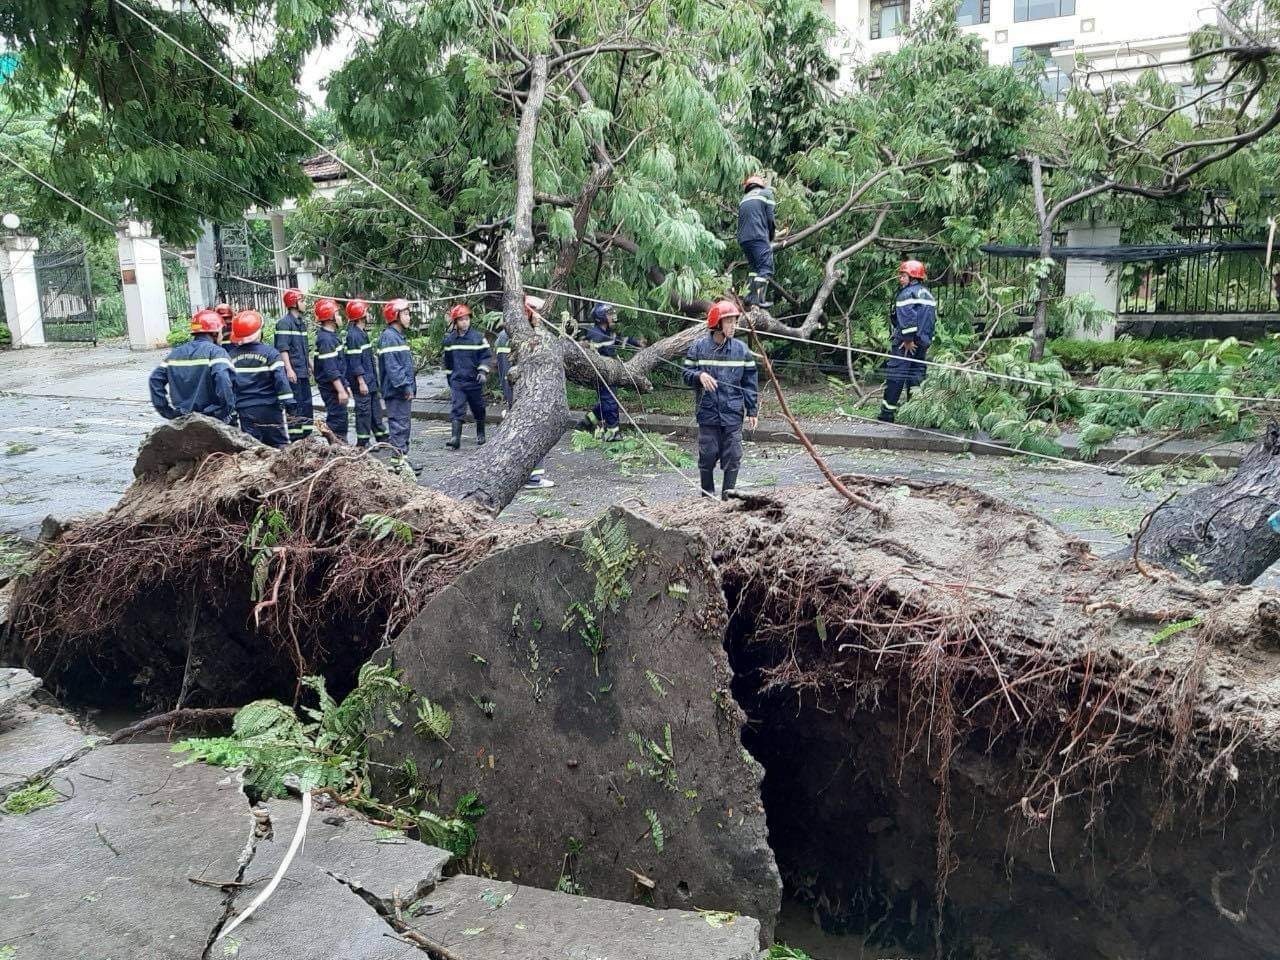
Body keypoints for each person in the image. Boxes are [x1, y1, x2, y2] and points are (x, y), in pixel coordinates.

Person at [683, 300, 758, 500]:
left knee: (733, 456)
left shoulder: (741, 350)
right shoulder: (698, 347)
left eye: (735, 321)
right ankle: (707, 497)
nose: (734, 326)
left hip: (733, 413)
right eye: (729, 322)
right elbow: (686, 373)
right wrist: (699, 376)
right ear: (717, 323)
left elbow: (750, 381)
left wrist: (752, 409)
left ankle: (728, 499)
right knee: (707, 456)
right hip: (707, 413)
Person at [495, 296, 555, 489]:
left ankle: (527, 476)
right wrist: (514, 401)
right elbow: (507, 373)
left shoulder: (523, 334)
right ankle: (533, 478)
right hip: (523, 397)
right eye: (538, 313)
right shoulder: (509, 338)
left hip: (528, 395)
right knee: (534, 434)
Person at [149, 308, 236, 422]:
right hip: (212, 420)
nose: (222, 335)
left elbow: (155, 379)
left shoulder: (175, 354)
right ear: (215, 333)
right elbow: (223, 379)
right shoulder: (216, 353)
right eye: (221, 331)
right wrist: (224, 411)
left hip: (183, 420)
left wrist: (167, 412)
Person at [878, 260, 937, 424]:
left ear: (912, 277)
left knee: (896, 375)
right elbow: (931, 320)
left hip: (906, 344)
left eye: (903, 275)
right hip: (923, 343)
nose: (900, 278)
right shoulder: (928, 294)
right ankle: (915, 414)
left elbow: (908, 318)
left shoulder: (906, 294)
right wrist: (925, 341)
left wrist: (908, 340)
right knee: (917, 376)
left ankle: (887, 414)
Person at [227, 309, 294, 448]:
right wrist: (288, 401)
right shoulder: (271, 354)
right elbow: (280, 380)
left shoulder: (230, 357)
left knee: (253, 449)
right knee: (280, 446)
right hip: (270, 409)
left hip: (245, 411)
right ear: (259, 332)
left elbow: (228, 385)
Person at [581, 302, 643, 442]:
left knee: (604, 404)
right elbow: (591, 354)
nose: (612, 316)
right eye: (609, 314)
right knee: (610, 403)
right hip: (602, 375)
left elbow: (619, 340)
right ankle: (612, 432)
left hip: (611, 374)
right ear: (601, 316)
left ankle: (586, 423)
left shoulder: (606, 333)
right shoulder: (596, 334)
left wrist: (636, 343)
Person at [442, 303, 491, 450]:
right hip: (458, 382)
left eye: (466, 319)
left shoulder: (478, 338)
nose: (464, 322)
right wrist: (450, 379)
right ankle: (455, 438)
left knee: (478, 408)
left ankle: (481, 432)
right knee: (457, 408)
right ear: (455, 322)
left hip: (474, 381)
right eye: (461, 320)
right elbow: (447, 362)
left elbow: (486, 356)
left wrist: (482, 372)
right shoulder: (450, 340)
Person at [343, 298, 388, 448]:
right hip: (362, 382)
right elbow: (355, 362)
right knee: (363, 413)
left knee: (376, 411)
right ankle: (363, 443)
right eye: (367, 311)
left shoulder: (361, 333)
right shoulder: (353, 336)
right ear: (360, 314)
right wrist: (361, 382)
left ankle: (382, 439)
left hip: (370, 381)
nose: (369, 314)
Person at [378, 297, 417, 465]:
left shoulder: (397, 336)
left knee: (404, 425)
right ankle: (398, 463)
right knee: (398, 426)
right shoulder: (389, 337)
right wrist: (406, 387)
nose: (409, 317)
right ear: (395, 316)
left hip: (401, 390)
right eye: (406, 314)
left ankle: (403, 460)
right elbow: (394, 367)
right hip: (396, 391)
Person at [274, 287, 313, 440]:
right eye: (302, 301)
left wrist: (310, 366)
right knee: (296, 406)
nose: (304, 304)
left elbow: (305, 350)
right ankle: (297, 440)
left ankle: (307, 436)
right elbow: (283, 349)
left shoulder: (300, 323)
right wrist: (289, 370)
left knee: (307, 405)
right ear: (293, 303)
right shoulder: (284, 323)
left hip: (302, 372)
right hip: (294, 373)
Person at [313, 297, 350, 440]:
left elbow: (339, 366)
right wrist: (341, 390)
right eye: (338, 314)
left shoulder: (330, 336)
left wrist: (345, 386)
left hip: (336, 386)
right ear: (330, 318)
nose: (340, 317)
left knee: (341, 418)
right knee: (337, 420)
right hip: (331, 388)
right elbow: (331, 369)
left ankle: (340, 448)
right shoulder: (326, 340)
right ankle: (337, 450)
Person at [738, 174, 776, 308]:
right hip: (759, 237)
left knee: (755, 268)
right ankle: (757, 300)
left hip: (744, 239)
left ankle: (749, 297)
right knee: (766, 268)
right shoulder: (767, 193)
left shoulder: (744, 199)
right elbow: (770, 219)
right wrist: (771, 238)